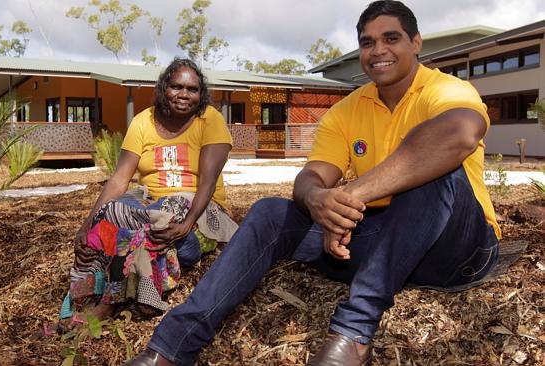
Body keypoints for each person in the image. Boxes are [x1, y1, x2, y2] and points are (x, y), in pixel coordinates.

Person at [124, 1, 501, 365]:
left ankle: (353, 335)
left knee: (435, 171)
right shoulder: (347, 110)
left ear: (416, 43)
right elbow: (310, 177)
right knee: (271, 212)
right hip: (382, 244)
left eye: (391, 38)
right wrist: (320, 199)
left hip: (455, 248)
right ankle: (170, 348)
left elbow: (459, 134)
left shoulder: (445, 90)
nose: (378, 50)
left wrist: (351, 195)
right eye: (367, 42)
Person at [42, 58, 238, 336]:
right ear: (163, 88)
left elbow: (207, 181)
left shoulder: (210, 119)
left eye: (192, 89)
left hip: (200, 209)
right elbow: (120, 178)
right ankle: (80, 301)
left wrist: (188, 221)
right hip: (151, 208)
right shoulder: (143, 121)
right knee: (110, 216)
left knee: (159, 220)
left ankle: (107, 305)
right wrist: (88, 225)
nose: (184, 94)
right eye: (176, 86)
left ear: (201, 93)